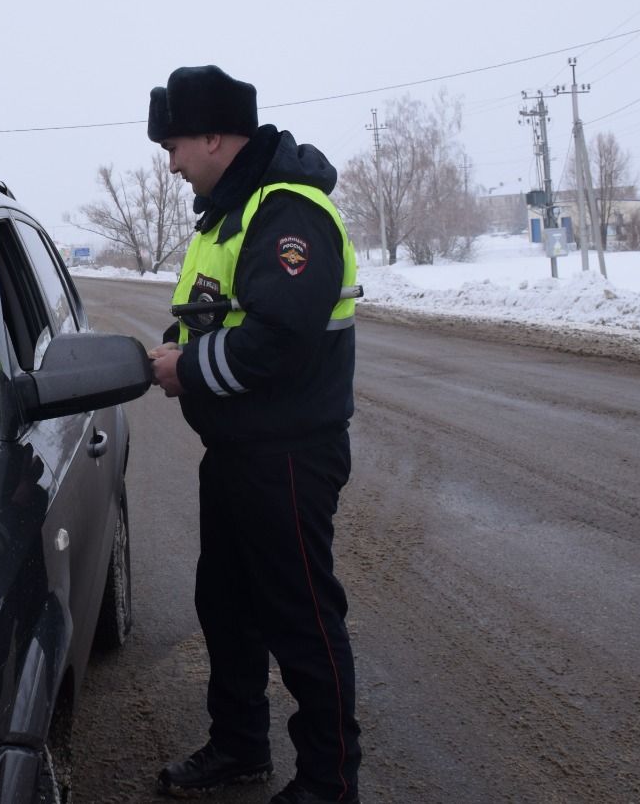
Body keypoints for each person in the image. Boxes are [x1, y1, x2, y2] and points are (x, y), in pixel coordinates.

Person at [145, 65, 362, 804]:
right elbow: (212, 316)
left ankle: (329, 783)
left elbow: (280, 341)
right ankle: (239, 746)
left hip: (290, 454)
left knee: (301, 617)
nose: (170, 162)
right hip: (239, 454)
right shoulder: (226, 215)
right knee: (228, 608)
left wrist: (189, 368)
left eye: (174, 144)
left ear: (214, 136)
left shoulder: (286, 212)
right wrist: (176, 350)